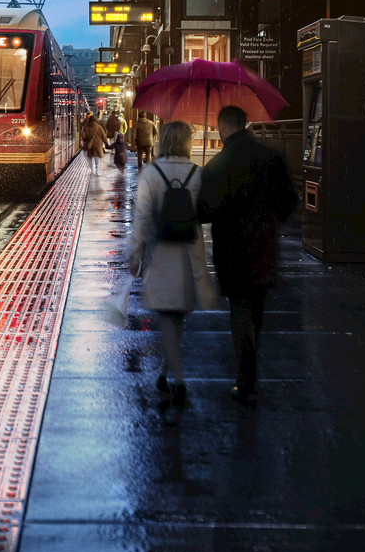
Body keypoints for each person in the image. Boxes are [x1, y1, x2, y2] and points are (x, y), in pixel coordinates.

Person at [197, 105, 298, 404]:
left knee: (239, 308)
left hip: (231, 249)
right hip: (264, 247)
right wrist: (268, 221)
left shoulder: (217, 165)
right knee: (256, 306)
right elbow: (289, 202)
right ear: (245, 124)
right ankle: (250, 364)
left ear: (222, 127)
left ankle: (246, 378)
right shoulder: (272, 158)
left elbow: (203, 212)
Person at [127, 120, 217, 409]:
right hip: (189, 253)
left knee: (168, 315)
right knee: (176, 316)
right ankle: (166, 372)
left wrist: (135, 253)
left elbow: (141, 218)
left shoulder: (152, 173)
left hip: (160, 252)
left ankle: (178, 380)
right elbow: (205, 211)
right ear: (186, 143)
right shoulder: (197, 173)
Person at [80, 110, 108, 175]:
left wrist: (86, 141)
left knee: (89, 157)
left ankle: (92, 169)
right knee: (97, 158)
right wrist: (106, 143)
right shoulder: (99, 127)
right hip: (97, 145)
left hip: (89, 145)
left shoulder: (86, 127)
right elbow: (104, 136)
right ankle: (97, 171)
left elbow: (83, 136)